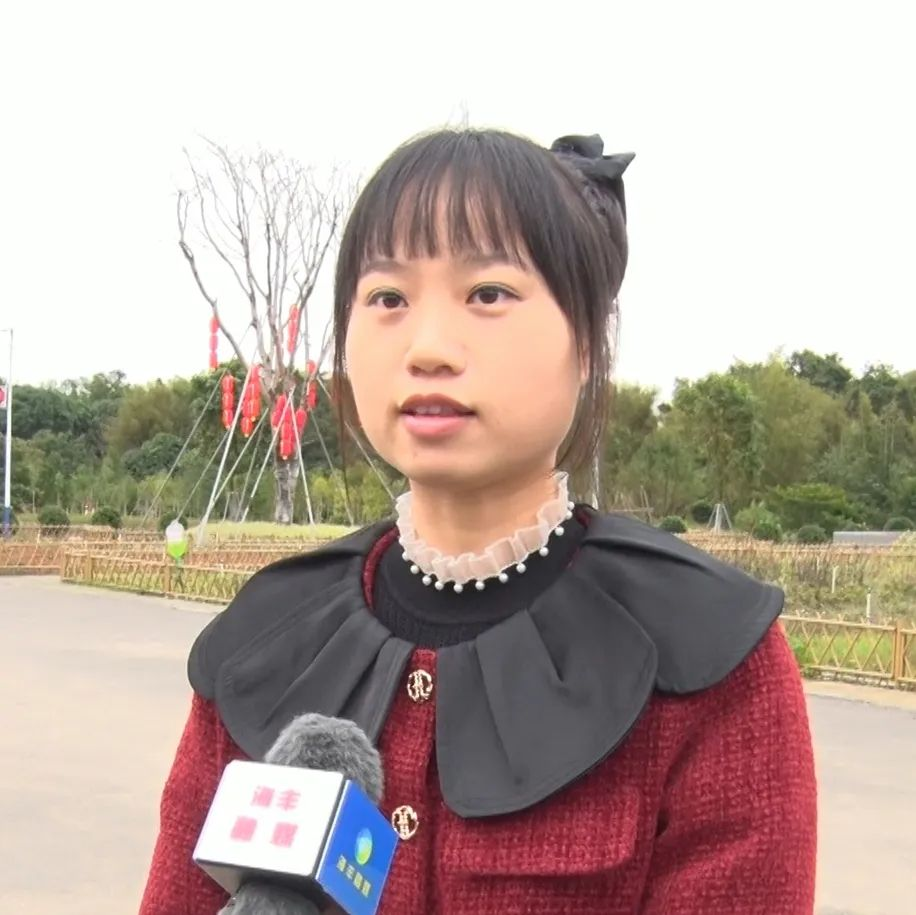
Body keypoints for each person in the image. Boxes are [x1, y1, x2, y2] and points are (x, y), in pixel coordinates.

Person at [139, 128, 817, 915]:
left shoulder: (706, 654)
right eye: (388, 298)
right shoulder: (263, 642)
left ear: (588, 339)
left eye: (488, 293)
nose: (428, 348)